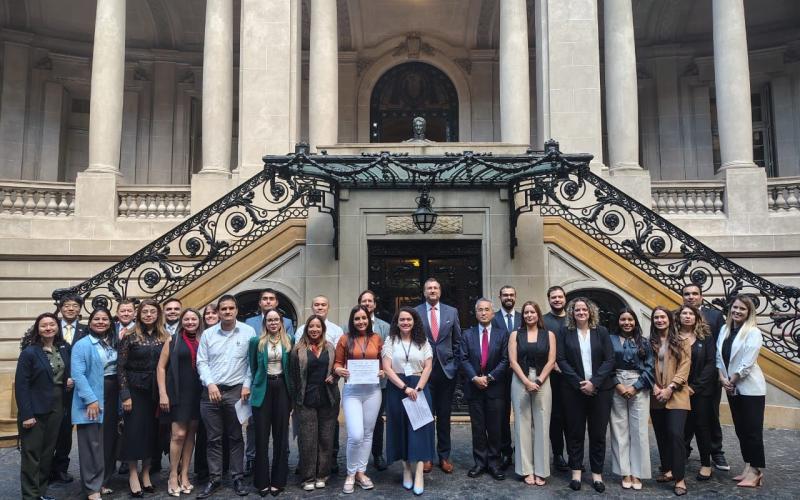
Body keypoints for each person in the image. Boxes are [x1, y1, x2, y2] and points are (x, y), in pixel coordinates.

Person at [196, 295, 256, 498]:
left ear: (237, 310)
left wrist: (247, 385)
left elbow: (251, 363)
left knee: (236, 436)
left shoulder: (248, 332)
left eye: (231, 308)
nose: (227, 312)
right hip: (210, 391)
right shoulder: (208, 334)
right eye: (224, 309)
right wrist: (210, 384)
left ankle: (237, 477)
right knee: (213, 438)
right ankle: (214, 478)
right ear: (218, 311)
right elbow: (201, 362)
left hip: (236, 391)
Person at [556, 297, 614, 492]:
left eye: (584, 309)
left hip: (600, 391)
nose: (581, 312)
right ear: (572, 312)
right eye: (577, 310)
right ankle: (576, 472)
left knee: (598, 434)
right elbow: (561, 360)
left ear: (591, 312)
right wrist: (579, 383)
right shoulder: (565, 332)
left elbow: (609, 360)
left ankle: (597, 474)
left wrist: (594, 382)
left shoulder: (602, 332)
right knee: (575, 432)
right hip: (573, 390)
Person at [16, 313, 72, 500]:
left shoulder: (62, 348)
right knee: (32, 454)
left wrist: (67, 381)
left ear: (57, 327)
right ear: (37, 329)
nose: (48, 328)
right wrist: (26, 415)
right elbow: (22, 385)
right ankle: (30, 495)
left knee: (48, 452)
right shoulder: (30, 352)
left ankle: (40, 492)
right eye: (43, 325)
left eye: (52, 325)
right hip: (34, 408)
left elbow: (63, 373)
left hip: (56, 405)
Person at [118, 299, 169, 496]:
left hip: (156, 392)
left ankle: (146, 473)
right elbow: (120, 367)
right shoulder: (129, 336)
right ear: (139, 315)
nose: (149, 314)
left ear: (158, 314)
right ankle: (132, 473)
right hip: (135, 391)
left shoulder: (165, 336)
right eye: (145, 311)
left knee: (151, 434)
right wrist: (125, 395)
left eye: (152, 312)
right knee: (133, 434)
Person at [382, 307, 435, 495]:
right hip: (398, 387)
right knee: (400, 428)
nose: (405, 322)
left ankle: (419, 472)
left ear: (414, 322)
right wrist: (404, 388)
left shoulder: (423, 341)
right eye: (402, 320)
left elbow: (428, 366)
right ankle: (406, 469)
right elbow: (387, 368)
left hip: (419, 386)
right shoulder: (391, 341)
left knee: (420, 429)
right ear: (397, 322)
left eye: (409, 320)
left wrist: (418, 388)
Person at [333, 305, 384, 494]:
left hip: (373, 391)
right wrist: (339, 370)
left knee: (368, 432)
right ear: (352, 321)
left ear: (369, 319)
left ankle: (361, 472)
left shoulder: (377, 338)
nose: (361, 321)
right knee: (356, 434)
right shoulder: (345, 339)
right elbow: (337, 363)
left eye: (364, 318)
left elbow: (384, 362)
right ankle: (350, 473)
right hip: (352, 391)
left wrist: (382, 371)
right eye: (357, 319)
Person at [717, 295, 766, 488]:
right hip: (731, 386)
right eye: (735, 308)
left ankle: (756, 471)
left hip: (750, 389)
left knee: (752, 431)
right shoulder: (725, 329)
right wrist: (723, 379)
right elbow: (718, 357)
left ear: (749, 313)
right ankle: (748, 466)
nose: (737, 311)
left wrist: (732, 380)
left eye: (742, 309)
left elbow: (747, 363)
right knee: (741, 429)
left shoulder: (753, 332)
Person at [245, 289, 295, 476]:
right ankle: (261, 479)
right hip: (262, 389)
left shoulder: (290, 340)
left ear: (282, 323)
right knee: (261, 435)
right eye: (269, 320)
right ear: (264, 323)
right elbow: (253, 366)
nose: (273, 323)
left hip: (282, 388)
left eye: (276, 320)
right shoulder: (255, 341)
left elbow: (291, 368)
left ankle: (279, 478)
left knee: (281, 435)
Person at [414, 278, 461, 474]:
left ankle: (444, 456)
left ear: (440, 292)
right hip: (423, 372)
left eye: (435, 288)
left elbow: (458, 341)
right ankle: (426, 457)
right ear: (424, 292)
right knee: (424, 417)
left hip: (445, 372)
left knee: (444, 416)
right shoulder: (415, 312)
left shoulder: (452, 312)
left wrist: (455, 365)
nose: (432, 291)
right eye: (429, 288)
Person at [72, 307, 119, 499]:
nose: (101, 322)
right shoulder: (82, 344)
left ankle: (103, 482)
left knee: (108, 441)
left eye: (105, 319)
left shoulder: (114, 342)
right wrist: (91, 400)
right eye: (97, 319)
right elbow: (77, 374)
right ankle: (92, 488)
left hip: (113, 394)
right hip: (92, 397)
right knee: (91, 443)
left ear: (110, 322)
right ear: (90, 322)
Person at [157, 308, 205, 495]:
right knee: (178, 434)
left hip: (197, 393)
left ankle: (185, 474)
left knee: (191, 434)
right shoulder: (173, 340)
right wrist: (163, 393)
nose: (190, 322)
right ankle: (172, 475)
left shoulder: (204, 339)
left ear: (198, 321)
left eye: (194, 319)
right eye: (187, 319)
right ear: (181, 321)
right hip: (177, 392)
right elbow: (161, 368)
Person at [460, 298, 509, 481]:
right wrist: (475, 378)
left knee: (495, 428)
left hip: (495, 388)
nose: (483, 312)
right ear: (476, 313)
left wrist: (489, 378)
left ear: (492, 313)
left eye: (486, 309)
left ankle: (494, 463)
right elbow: (463, 359)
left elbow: (505, 360)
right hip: (474, 388)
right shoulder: (467, 335)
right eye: (480, 310)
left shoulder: (502, 334)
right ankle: (480, 462)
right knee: (478, 428)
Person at [289, 315, 340, 492]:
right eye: (311, 326)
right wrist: (295, 401)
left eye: (318, 326)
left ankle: (322, 475)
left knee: (326, 439)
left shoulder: (331, 348)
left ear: (323, 330)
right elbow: (293, 376)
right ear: (306, 329)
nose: (315, 329)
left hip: (328, 399)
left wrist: (335, 376)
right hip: (305, 400)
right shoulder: (297, 350)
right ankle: (307, 477)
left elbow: (337, 369)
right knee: (308, 439)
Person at [508, 300, 556, 486]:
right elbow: (513, 361)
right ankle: (525, 469)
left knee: (542, 425)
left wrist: (538, 380)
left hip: (542, 379)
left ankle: (541, 470)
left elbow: (552, 360)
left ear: (538, 315)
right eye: (526, 312)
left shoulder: (549, 334)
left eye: (532, 312)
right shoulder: (515, 334)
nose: (529, 315)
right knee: (522, 424)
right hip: (520, 380)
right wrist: (527, 381)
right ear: (523, 316)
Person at [682, 283, 728, 471]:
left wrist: (719, 374)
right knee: (683, 417)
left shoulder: (715, 316)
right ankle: (682, 450)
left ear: (701, 296)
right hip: (682, 379)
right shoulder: (677, 315)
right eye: (687, 294)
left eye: (695, 294)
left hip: (709, 378)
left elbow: (721, 347)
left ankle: (715, 452)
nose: (691, 297)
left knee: (710, 416)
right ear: (682, 297)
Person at [609, 307, 654, 490]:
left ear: (635, 321)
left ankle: (638, 473)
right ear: (618, 322)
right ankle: (624, 471)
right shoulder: (610, 340)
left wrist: (636, 387)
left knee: (639, 431)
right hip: (616, 384)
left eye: (630, 319)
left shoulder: (644, 342)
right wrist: (617, 385)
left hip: (639, 384)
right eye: (623, 319)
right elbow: (605, 363)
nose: (626, 323)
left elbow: (650, 367)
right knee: (619, 429)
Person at [649, 306, 691, 496]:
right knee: (661, 434)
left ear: (670, 319)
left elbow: (685, 366)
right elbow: (646, 367)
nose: (659, 320)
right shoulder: (649, 343)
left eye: (662, 317)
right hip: (656, 395)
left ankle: (680, 478)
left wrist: (670, 388)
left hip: (677, 394)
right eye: (656, 317)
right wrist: (654, 387)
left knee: (675, 434)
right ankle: (668, 470)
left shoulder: (682, 341)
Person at [678, 304, 716, 481]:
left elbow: (710, 364)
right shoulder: (673, 337)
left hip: (700, 391)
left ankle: (706, 464)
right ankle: (678, 460)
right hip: (678, 390)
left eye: (690, 314)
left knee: (702, 427)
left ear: (696, 317)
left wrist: (695, 387)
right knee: (680, 428)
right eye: (684, 313)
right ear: (679, 317)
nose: (687, 316)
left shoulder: (705, 337)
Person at [52, 293, 87, 484]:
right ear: (61, 308)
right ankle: (47, 468)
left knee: (66, 431)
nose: (71, 309)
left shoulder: (85, 330)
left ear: (79, 309)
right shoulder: (51, 328)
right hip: (55, 388)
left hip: (77, 389)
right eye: (66, 306)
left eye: (74, 306)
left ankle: (61, 468)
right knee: (53, 429)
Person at [356, 290, 391, 472]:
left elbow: (388, 353)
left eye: (370, 301)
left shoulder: (384, 327)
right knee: (357, 421)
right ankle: (357, 455)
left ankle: (377, 454)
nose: (368, 304)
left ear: (375, 305)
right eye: (364, 301)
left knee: (377, 421)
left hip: (379, 383)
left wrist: (383, 370)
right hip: (356, 383)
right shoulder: (351, 327)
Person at [491, 285, 521, 469]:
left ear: (515, 297)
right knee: (502, 415)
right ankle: (505, 451)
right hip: (500, 373)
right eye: (505, 295)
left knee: (522, 413)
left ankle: (522, 451)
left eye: (511, 294)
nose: (508, 297)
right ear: (499, 297)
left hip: (520, 374)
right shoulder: (493, 318)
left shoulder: (522, 317)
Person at [542, 285, 569, 471]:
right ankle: (558, 454)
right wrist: (553, 364)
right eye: (553, 297)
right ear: (549, 299)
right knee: (556, 417)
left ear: (565, 298)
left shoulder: (574, 319)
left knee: (573, 418)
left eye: (560, 297)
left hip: (572, 376)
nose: (557, 300)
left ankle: (574, 456)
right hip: (552, 377)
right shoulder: (543, 321)